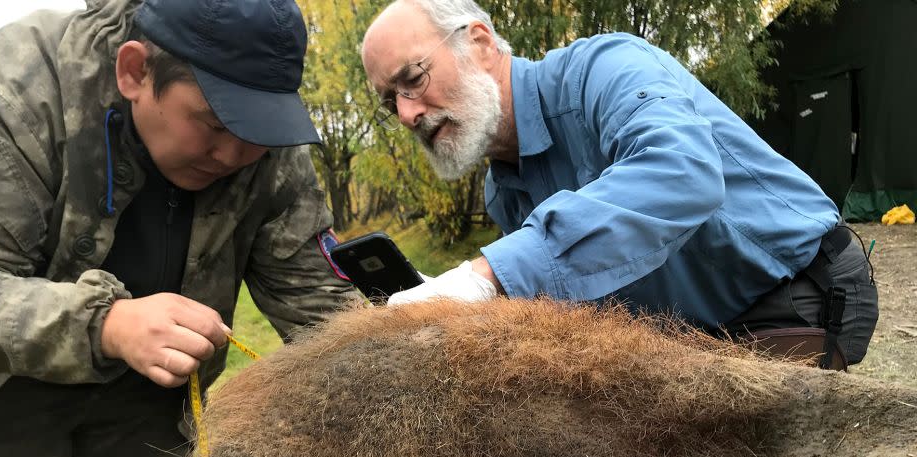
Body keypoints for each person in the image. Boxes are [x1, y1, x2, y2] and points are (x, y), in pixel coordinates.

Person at [0, 0, 358, 457]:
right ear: (134, 71)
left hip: (151, 402)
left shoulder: (266, 140)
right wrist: (106, 323)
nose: (234, 155)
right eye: (214, 124)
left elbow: (320, 303)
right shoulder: (10, 93)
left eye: (255, 133)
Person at [361, 0, 878, 368]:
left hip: (796, 292)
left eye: (414, 78)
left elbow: (683, 173)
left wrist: (488, 274)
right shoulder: (503, 192)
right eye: (391, 101)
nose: (408, 114)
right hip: (694, 331)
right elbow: (572, 292)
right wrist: (463, 305)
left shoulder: (604, 70)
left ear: (478, 42)